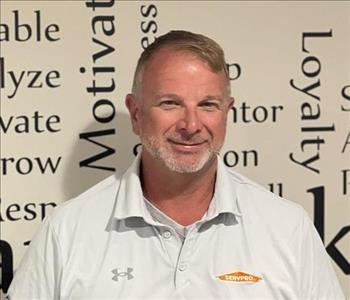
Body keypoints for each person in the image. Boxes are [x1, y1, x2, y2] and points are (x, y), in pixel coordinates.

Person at [8, 30, 344, 299]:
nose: (191, 124)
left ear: (227, 112)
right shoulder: (66, 231)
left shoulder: (287, 228)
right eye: (170, 103)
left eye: (208, 104)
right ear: (136, 114)